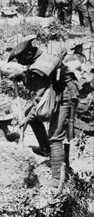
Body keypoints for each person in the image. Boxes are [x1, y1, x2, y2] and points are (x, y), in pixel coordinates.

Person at [8, 36, 78, 188]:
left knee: (55, 136)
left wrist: (27, 118)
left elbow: (41, 96)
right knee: (32, 117)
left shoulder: (40, 66)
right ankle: (46, 150)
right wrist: (23, 76)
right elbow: (39, 82)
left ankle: (57, 178)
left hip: (65, 96)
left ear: (28, 54)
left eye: (19, 59)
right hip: (56, 93)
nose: (19, 63)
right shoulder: (40, 58)